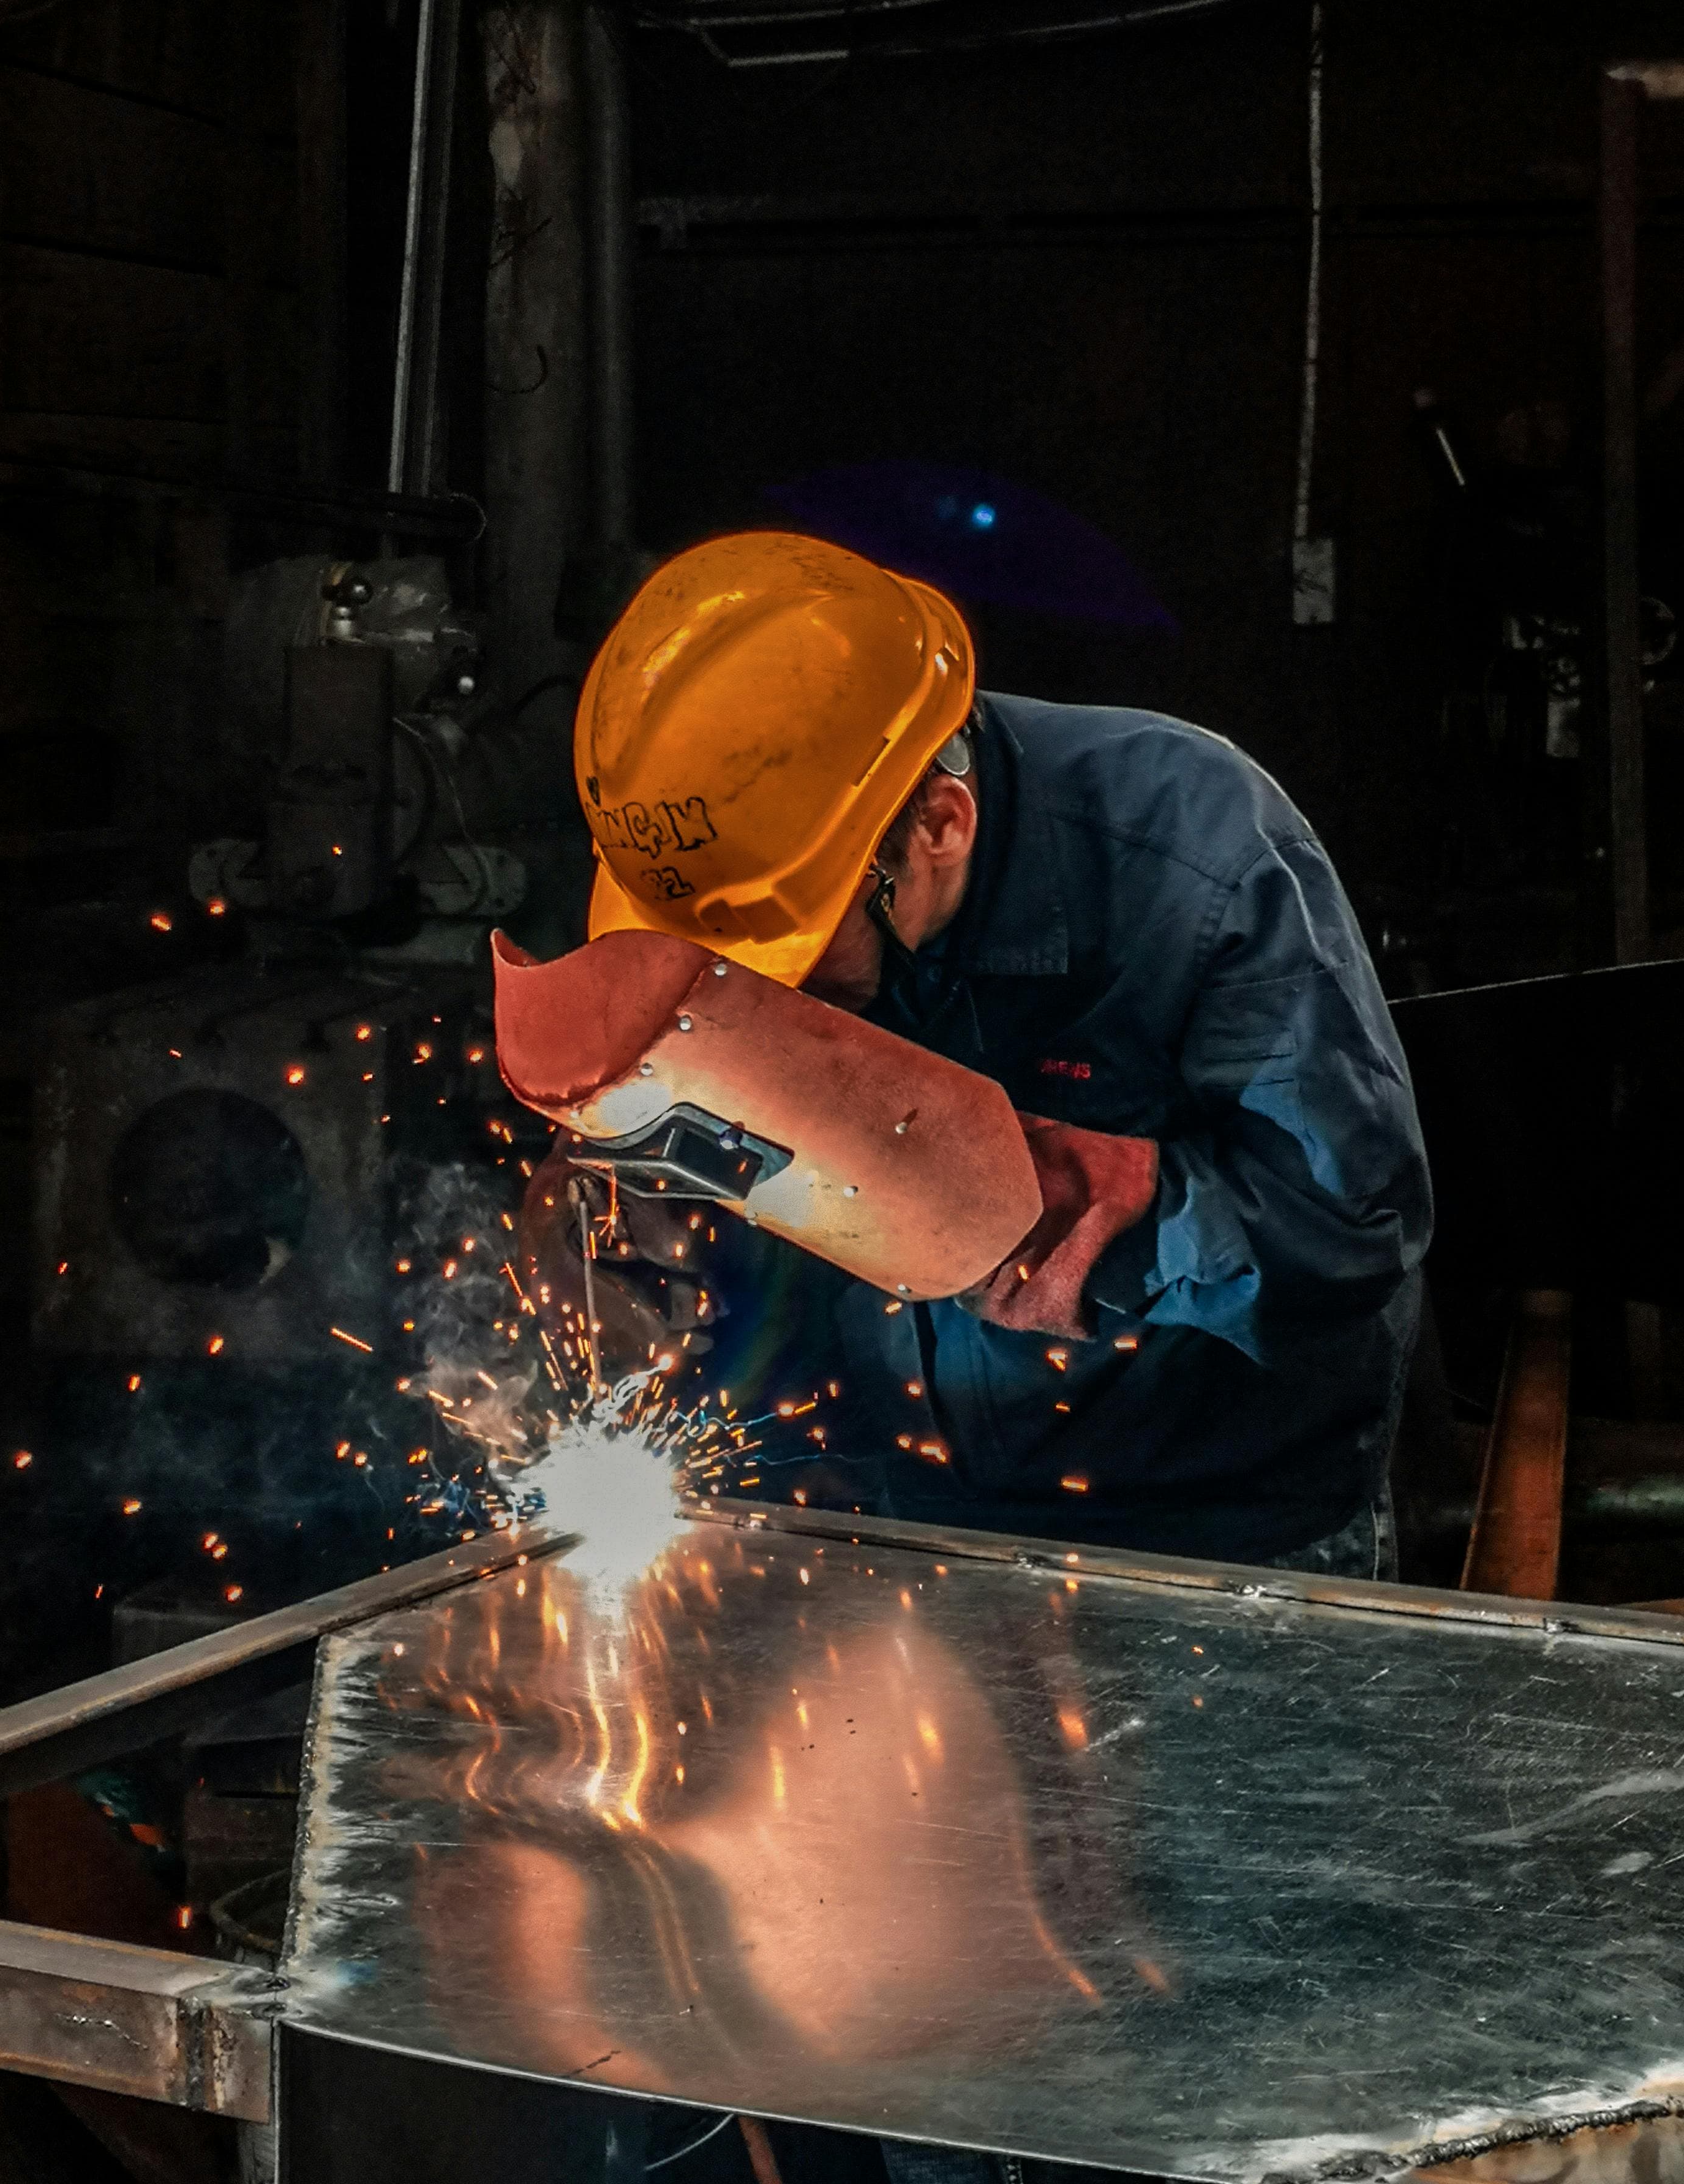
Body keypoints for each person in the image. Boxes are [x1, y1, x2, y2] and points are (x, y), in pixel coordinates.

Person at [528, 530, 1432, 2184]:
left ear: (935, 827)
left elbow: (1348, 1232)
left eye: (791, 964)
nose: (752, 995)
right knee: (931, 2057)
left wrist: (1075, 1217)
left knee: (1216, 2069)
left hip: (1212, 1557)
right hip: (902, 1563)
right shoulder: (723, 858)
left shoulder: (1197, 851)